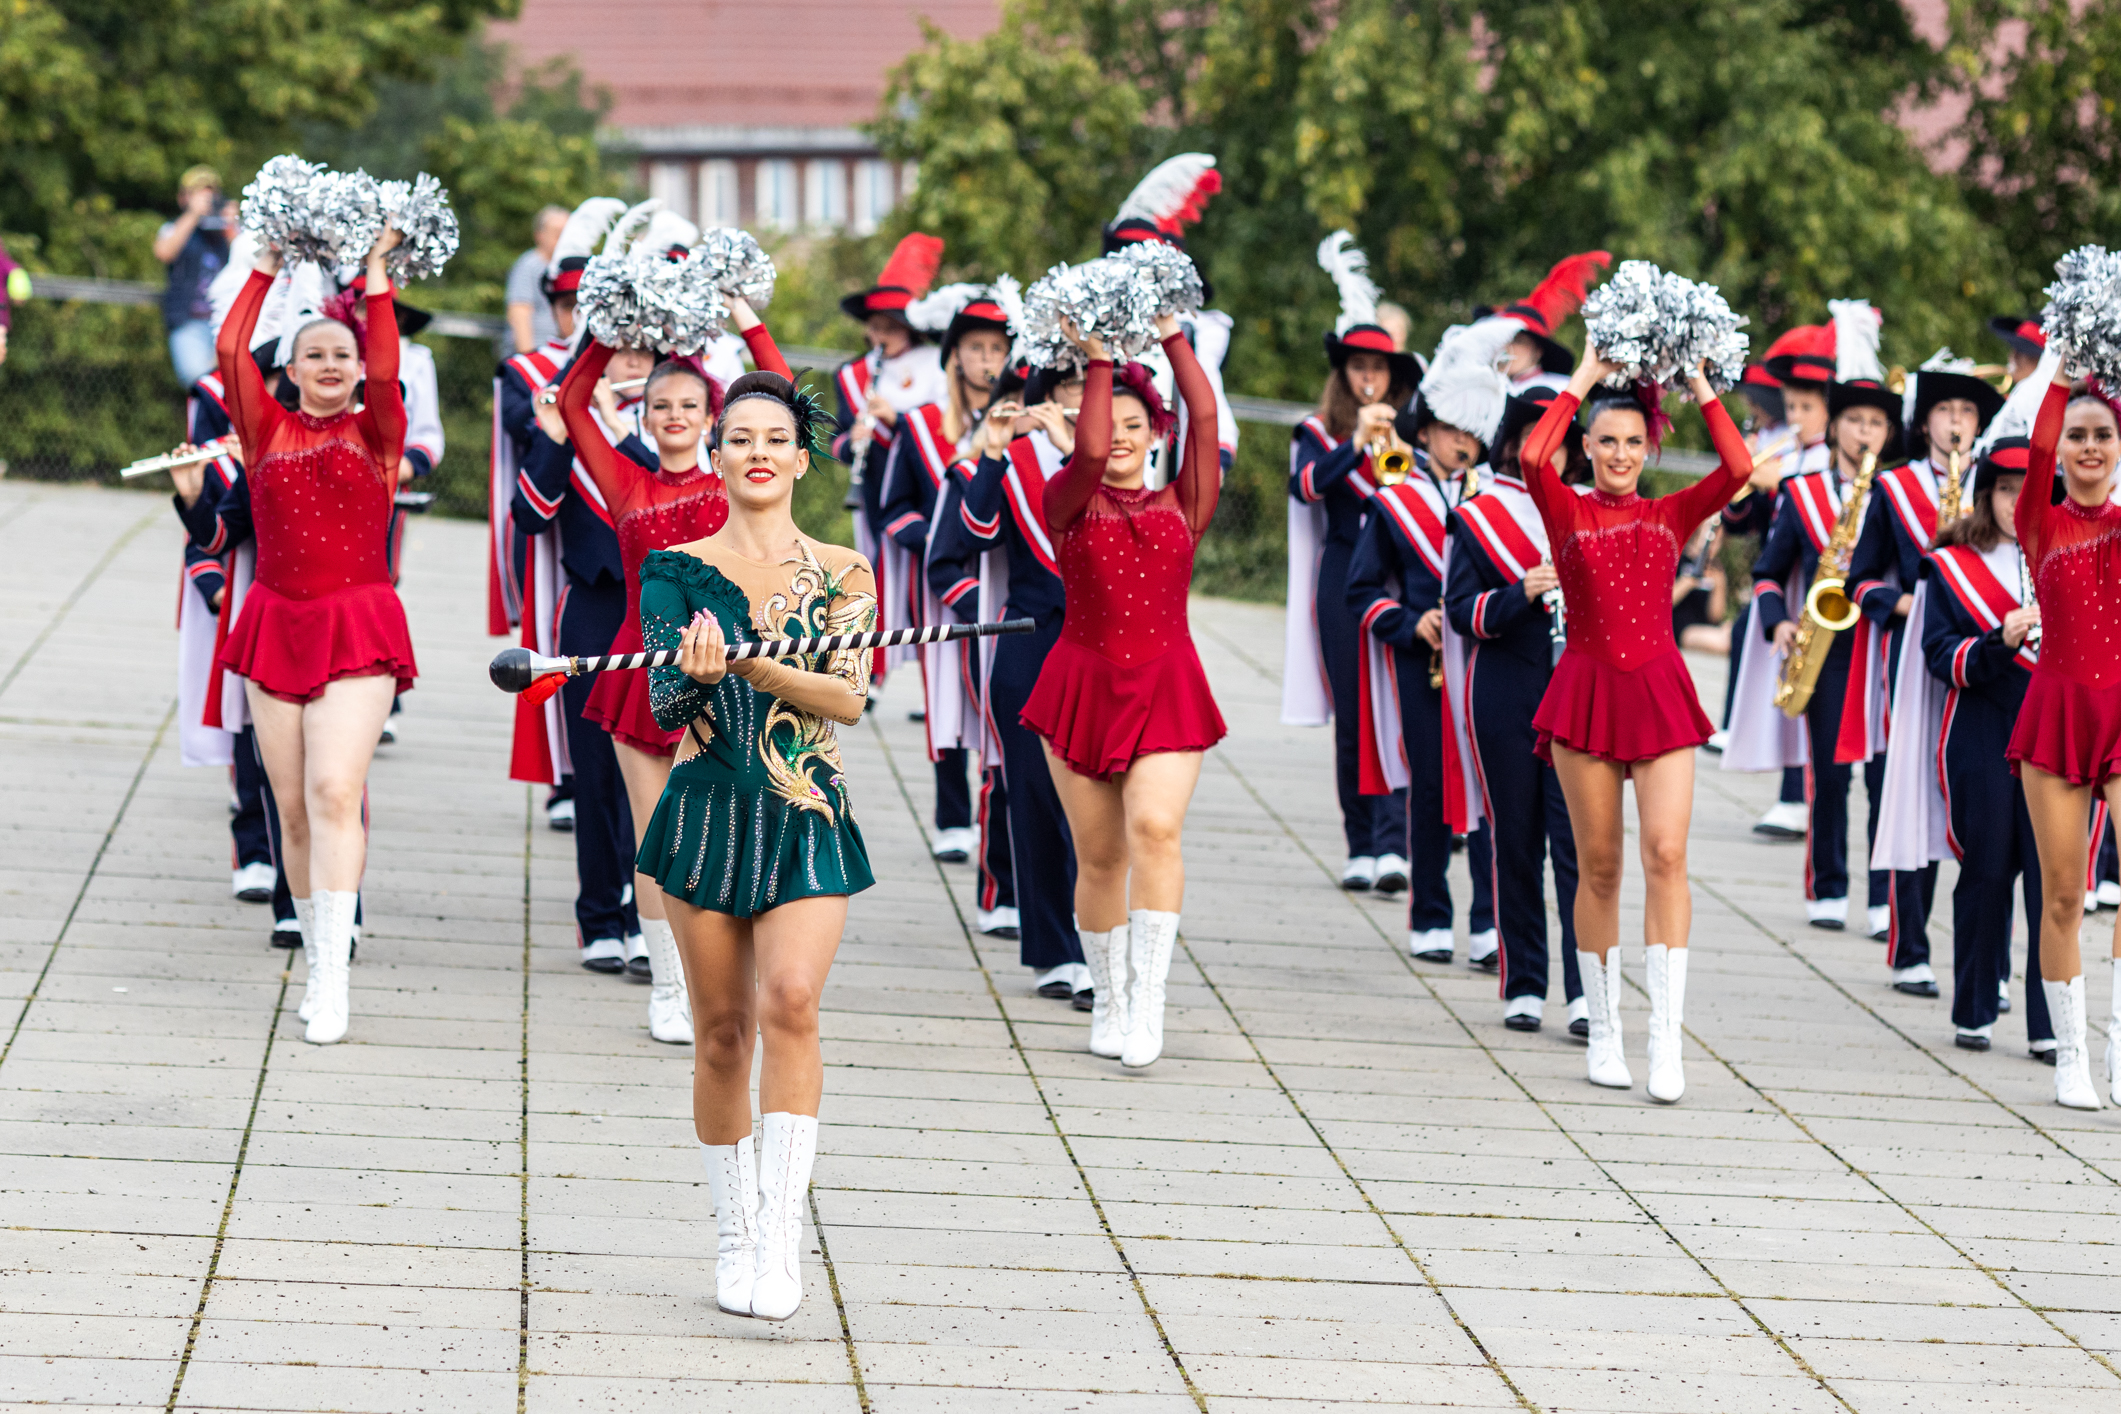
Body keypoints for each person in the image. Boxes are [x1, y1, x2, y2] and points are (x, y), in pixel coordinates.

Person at [635, 370, 875, 1323]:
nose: (758, 451)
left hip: (807, 807)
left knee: (793, 1002)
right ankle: (733, 1230)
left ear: (801, 457)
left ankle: (781, 1234)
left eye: (776, 436)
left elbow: (849, 697)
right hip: (705, 813)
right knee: (723, 1034)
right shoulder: (674, 567)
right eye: (739, 438)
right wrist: (696, 673)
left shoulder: (843, 569)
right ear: (718, 456)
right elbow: (666, 708)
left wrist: (764, 664)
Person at [173, 222, 416, 1046]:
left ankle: (334, 976)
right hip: (274, 622)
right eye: (314, 355)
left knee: (334, 791)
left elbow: (384, 360)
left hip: (357, 620)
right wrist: (265, 264)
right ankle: (315, 957)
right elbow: (233, 342)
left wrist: (376, 275)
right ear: (291, 369)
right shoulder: (264, 428)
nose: (332, 366)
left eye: (341, 356)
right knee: (290, 811)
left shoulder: (379, 432)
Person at [551, 286, 791, 1045]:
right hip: (643, 680)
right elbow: (572, 396)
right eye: (663, 406)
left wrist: (748, 318)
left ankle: (719, 978)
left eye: (692, 405)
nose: (677, 416)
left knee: (722, 833)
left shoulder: (736, 481)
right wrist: (610, 323)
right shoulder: (626, 484)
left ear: (715, 420)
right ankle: (668, 988)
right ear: (645, 416)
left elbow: (782, 399)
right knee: (658, 837)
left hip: (732, 679)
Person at [1519, 348, 1753, 1102]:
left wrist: (1693, 377)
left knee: (1666, 854)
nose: (1619, 454)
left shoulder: (1670, 512)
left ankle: (1665, 1041)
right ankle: (1606, 1029)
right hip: (1584, 692)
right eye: (1605, 441)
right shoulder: (1566, 507)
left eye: (1631, 442)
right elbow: (1530, 453)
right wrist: (1585, 372)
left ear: (1649, 448)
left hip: (1658, 693)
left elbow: (1737, 466)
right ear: (1586, 447)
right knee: (1599, 867)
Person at [1024, 317, 1224, 1069]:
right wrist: (1100, 361)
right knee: (1100, 858)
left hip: (1167, 686)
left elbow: (1203, 416)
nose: (1118, 439)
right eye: (1109, 426)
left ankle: (1148, 1003)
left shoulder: (1186, 502)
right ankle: (1108, 996)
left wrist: (1171, 337)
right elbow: (1084, 448)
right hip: (1081, 684)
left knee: (1154, 830)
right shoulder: (1067, 499)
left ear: (1154, 433)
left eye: (1135, 426)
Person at [1346, 318, 1514, 970]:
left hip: (1488, 663)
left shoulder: (1502, 502)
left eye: (1473, 432)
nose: (1462, 443)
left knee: (1492, 794)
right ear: (1425, 430)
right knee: (1429, 794)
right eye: (1450, 430)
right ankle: (1429, 913)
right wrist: (1406, 620)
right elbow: (1359, 592)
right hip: (1424, 667)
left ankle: (1488, 922)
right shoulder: (1396, 502)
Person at [1847, 350, 2005, 991]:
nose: (1958, 421)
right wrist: (1902, 601)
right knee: (1910, 792)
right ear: (1926, 421)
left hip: (1989, 668)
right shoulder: (1893, 488)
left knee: (1989, 815)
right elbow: (1857, 582)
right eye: (1947, 409)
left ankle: (1986, 961)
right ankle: (1910, 946)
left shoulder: (1999, 491)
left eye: (1969, 410)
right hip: (1913, 664)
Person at [1442, 386, 1587, 1032]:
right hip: (1505, 683)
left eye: (1558, 435)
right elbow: (1460, 611)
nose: (1545, 448)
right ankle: (1523, 982)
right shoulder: (1479, 513)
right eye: (1534, 434)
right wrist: (1517, 592)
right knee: (1516, 837)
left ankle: (1587, 990)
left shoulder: (1590, 511)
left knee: (1579, 845)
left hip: (1578, 696)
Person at [1751, 303, 1900, 938]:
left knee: (1885, 776)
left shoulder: (1900, 492)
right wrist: (1778, 622)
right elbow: (1765, 570)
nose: (1865, 433)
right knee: (1829, 775)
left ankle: (1884, 898)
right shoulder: (1801, 491)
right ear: (1834, 426)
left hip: (1883, 645)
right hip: (1825, 645)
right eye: (1855, 421)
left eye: (1876, 423)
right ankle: (1828, 887)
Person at [944, 365, 1090, 1007]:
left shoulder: (1138, 451)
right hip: (1035, 637)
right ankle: (1057, 949)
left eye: (1101, 384)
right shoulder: (1018, 456)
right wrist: (996, 455)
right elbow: (963, 538)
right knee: (1033, 793)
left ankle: (1110, 941)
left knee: (1109, 807)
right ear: (1052, 395)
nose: (1088, 397)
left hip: (1112, 645)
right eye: (1075, 384)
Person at [1908, 429, 2052, 1057]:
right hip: (1982, 733)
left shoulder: (2072, 556)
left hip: (2053, 736)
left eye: (2032, 492)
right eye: (2007, 491)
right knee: (1987, 867)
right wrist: (2000, 640)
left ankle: (2054, 1026)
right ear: (1987, 494)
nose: (2018, 503)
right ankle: (1973, 1010)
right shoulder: (1951, 565)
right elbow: (1941, 656)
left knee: (2054, 882)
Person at [2004, 349, 2121, 1109]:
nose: (2085, 446)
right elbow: (2037, 445)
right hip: (2055, 712)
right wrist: (2059, 364)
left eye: (2101, 435)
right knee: (2060, 898)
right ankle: (2069, 1056)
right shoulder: (2036, 522)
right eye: (2077, 434)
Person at [1289, 233, 1417, 895]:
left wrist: (1388, 442)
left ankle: (1395, 842)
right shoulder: (1315, 433)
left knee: (1393, 708)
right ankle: (1359, 842)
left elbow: (1400, 496)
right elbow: (1307, 487)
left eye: (1379, 369)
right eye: (1358, 368)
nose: (1369, 378)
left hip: (1391, 580)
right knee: (1350, 712)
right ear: (1343, 374)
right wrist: (1354, 445)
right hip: (1339, 578)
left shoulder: (1401, 438)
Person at [875, 285, 1013, 864]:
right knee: (947, 695)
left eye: (997, 349)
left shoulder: (1020, 421)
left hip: (1004, 576)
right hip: (944, 586)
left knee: (997, 699)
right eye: (976, 348)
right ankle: (953, 816)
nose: (987, 361)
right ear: (954, 354)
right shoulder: (921, 424)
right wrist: (931, 538)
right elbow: (894, 506)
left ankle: (999, 817)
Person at [1721, 329, 1836, 839]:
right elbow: (1749, 523)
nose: (1794, 417)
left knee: (1810, 689)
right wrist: (1742, 487)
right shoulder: (1786, 455)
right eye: (1790, 405)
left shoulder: (1826, 465)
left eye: (1806, 407)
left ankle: (1801, 795)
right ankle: (1789, 791)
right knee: (1782, 681)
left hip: (1815, 590)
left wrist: (1777, 477)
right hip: (1783, 587)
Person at [154, 167, 237, 390]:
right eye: (198, 194)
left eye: (211, 194)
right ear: (184, 198)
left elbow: (250, 261)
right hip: (189, 321)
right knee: (199, 380)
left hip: (227, 323)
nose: (207, 200)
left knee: (233, 384)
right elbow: (164, 252)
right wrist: (193, 215)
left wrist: (232, 226)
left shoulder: (225, 230)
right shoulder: (173, 227)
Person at [505, 205, 571, 356]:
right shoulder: (528, 265)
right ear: (539, 235)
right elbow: (519, 314)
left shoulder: (566, 268)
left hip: (560, 356)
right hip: (536, 356)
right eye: (557, 232)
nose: (562, 238)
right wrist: (528, 360)